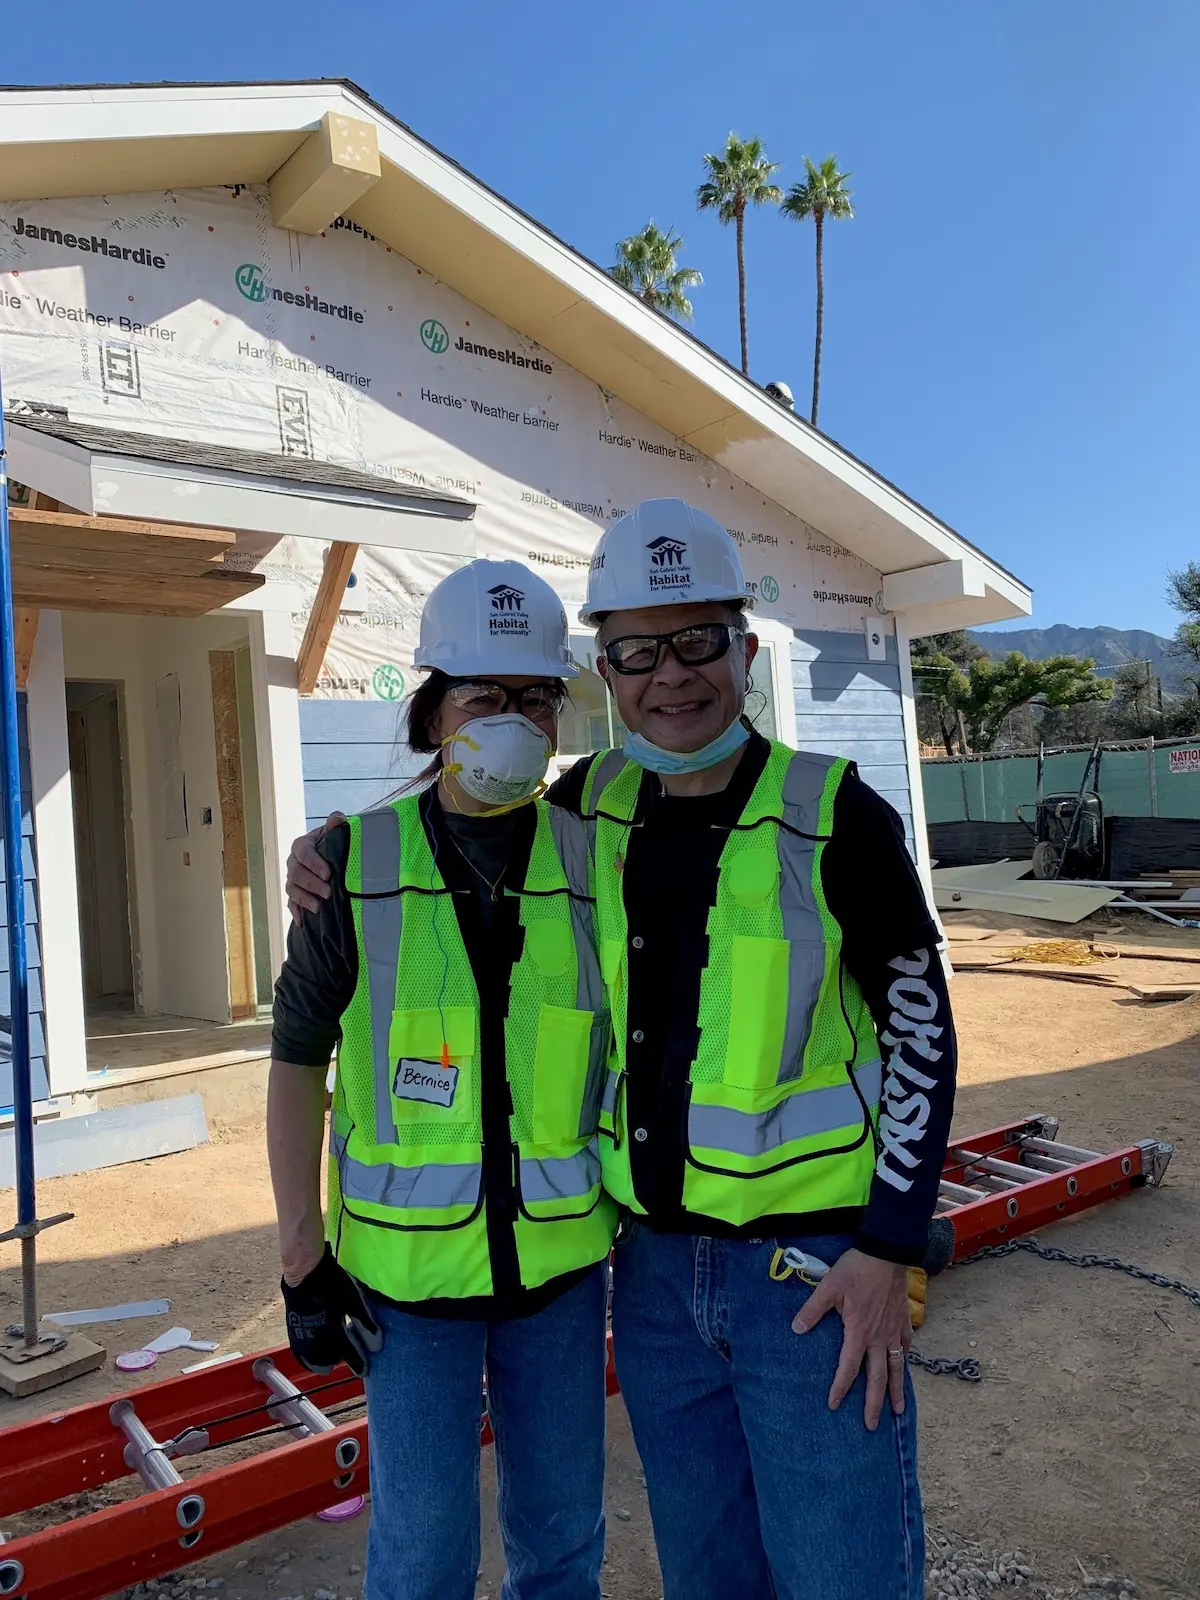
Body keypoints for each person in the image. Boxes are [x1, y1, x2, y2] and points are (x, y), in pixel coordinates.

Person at [288, 502, 958, 1600]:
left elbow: (924, 1031)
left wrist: (890, 1245)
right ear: (607, 671)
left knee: (842, 1572)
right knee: (706, 1571)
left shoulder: (835, 816)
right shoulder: (591, 808)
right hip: (651, 1278)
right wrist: (321, 852)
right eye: (638, 651)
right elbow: (452, 816)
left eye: (697, 641)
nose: (671, 675)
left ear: (745, 649)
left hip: (809, 1275)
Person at [268, 558, 617, 1600]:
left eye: (537, 697)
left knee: (562, 1542)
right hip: (408, 1291)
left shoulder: (598, 858)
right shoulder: (350, 864)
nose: (514, 720)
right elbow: (296, 1064)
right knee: (421, 1556)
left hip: (560, 1278)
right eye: (483, 697)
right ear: (432, 715)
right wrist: (301, 1258)